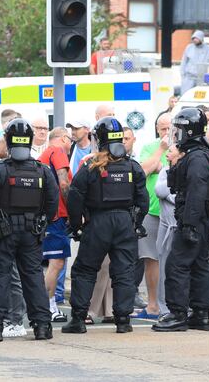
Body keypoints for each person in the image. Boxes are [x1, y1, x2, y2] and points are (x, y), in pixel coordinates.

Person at [0, 119, 58, 342]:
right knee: (33, 278)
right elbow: (52, 202)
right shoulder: (43, 171)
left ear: (9, 141)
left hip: (4, 232)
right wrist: (42, 223)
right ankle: (42, 327)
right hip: (32, 233)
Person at [62, 117, 149, 334]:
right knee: (124, 271)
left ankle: (79, 319)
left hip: (98, 222)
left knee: (85, 270)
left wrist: (76, 225)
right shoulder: (132, 166)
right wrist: (135, 223)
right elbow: (143, 201)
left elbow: (75, 196)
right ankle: (122, 319)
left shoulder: (91, 167)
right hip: (124, 222)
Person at [153, 107, 209, 332]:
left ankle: (178, 313)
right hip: (202, 218)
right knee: (200, 265)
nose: (176, 133)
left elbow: (196, 193)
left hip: (194, 219)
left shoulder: (197, 158)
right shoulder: (201, 154)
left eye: (180, 129)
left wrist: (189, 224)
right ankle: (201, 313)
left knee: (177, 265)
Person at [135, 113, 172, 319]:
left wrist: (158, 166)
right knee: (150, 258)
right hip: (151, 210)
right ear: (157, 129)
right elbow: (143, 171)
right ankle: (153, 305)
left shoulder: (183, 146)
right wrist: (161, 150)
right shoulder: (150, 147)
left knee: (173, 259)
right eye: (163, 128)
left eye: (170, 128)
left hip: (173, 211)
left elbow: (164, 168)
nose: (166, 132)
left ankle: (170, 303)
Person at [38, 127, 73, 323]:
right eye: (69, 140)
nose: (70, 145)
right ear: (62, 139)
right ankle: (48, 306)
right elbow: (64, 183)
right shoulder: (57, 152)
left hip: (47, 215)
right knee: (56, 263)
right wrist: (74, 210)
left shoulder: (44, 154)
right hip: (56, 216)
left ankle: (45, 305)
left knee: (50, 264)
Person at [154, 145, 180, 316]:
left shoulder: (186, 170)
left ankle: (178, 305)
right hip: (165, 226)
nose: (167, 154)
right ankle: (163, 307)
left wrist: (171, 194)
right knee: (163, 267)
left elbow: (180, 198)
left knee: (177, 268)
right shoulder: (165, 170)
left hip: (179, 226)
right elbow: (159, 190)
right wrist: (174, 194)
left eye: (171, 151)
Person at [179, 30, 209, 94]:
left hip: (202, 77)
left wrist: (208, 81)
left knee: (203, 96)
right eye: (193, 38)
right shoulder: (189, 47)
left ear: (201, 38)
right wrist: (183, 75)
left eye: (197, 38)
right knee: (186, 95)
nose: (195, 40)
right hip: (189, 77)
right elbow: (183, 62)